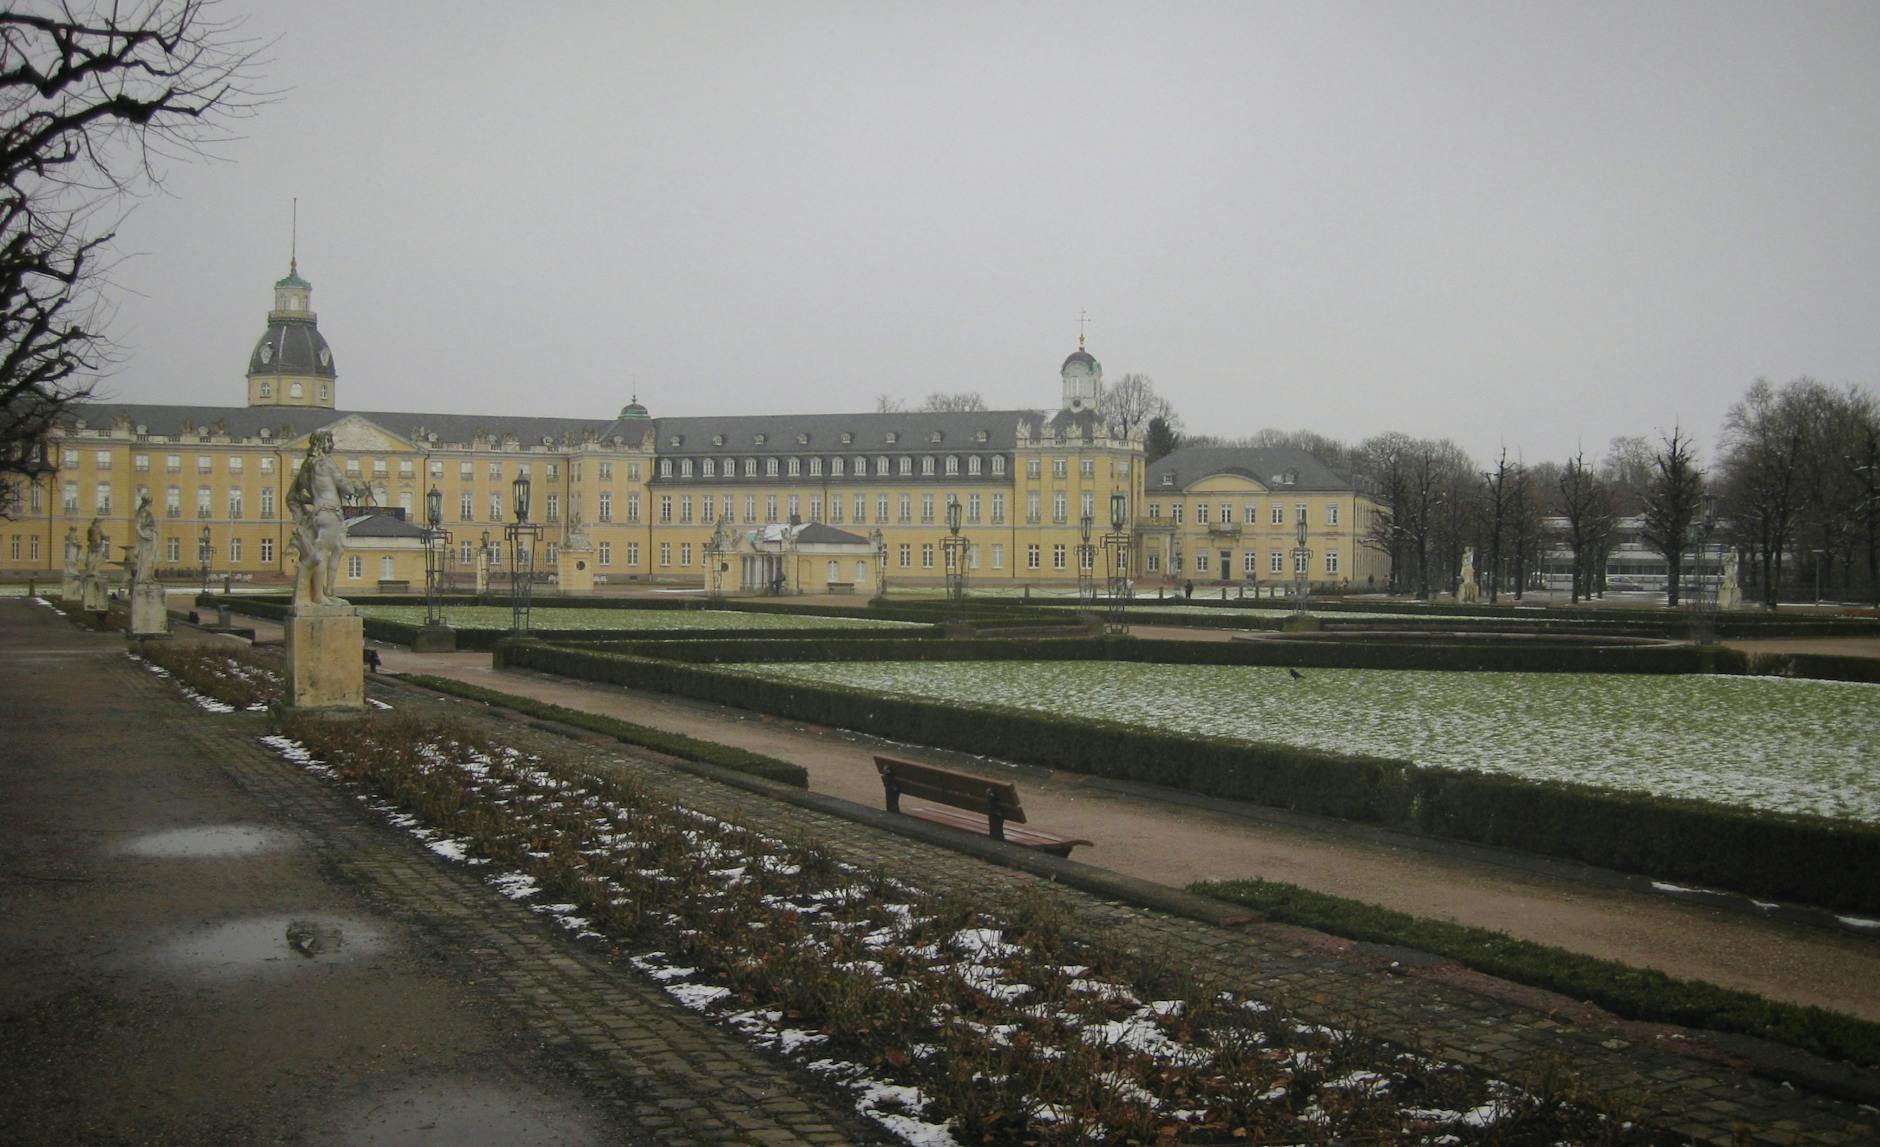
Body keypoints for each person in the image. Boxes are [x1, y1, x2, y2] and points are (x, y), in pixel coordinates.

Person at [287, 430, 373, 606]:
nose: (331, 444)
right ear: (324, 442)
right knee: (322, 554)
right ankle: (319, 596)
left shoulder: (306, 466)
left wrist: (306, 510)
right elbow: (347, 488)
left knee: (337, 549)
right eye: (329, 441)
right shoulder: (326, 463)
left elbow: (293, 497)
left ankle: (329, 591)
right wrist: (361, 489)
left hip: (318, 513)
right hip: (330, 513)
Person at [131, 494, 159, 583]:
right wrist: (143, 535)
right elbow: (138, 526)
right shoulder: (144, 512)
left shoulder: (146, 512)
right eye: (151, 502)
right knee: (146, 557)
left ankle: (149, 575)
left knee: (151, 557)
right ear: (149, 502)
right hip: (147, 536)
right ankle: (144, 577)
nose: (151, 504)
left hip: (150, 535)